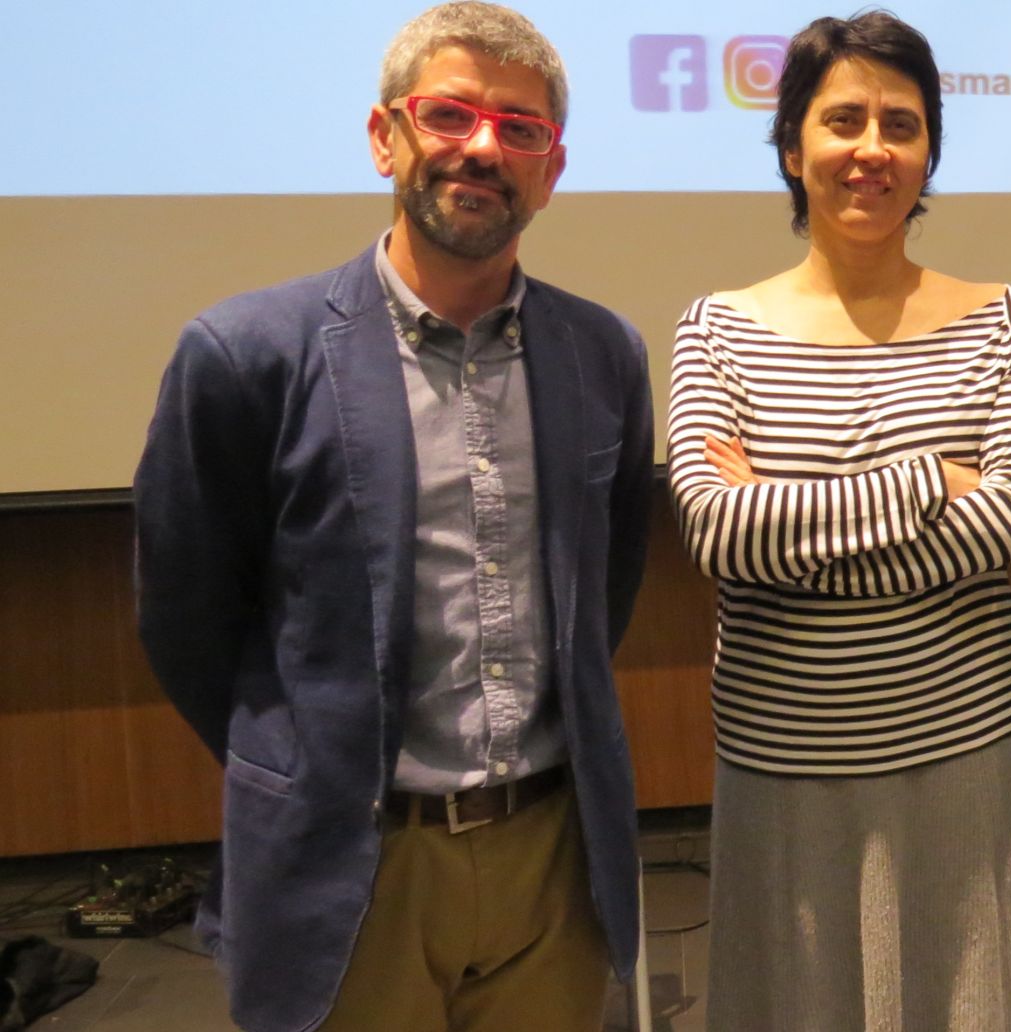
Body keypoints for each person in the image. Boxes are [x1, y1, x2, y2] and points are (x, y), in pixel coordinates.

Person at [132, 4, 653, 1030]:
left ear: (551, 169)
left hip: (551, 859)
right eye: (449, 115)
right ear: (385, 137)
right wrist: (300, 761)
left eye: (519, 129)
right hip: (352, 863)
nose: (483, 149)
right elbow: (185, 620)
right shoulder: (245, 354)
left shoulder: (603, 354)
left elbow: (607, 592)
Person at [665, 12, 1011, 1031]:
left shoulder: (1002, 318)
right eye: (842, 120)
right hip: (783, 771)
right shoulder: (717, 329)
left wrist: (786, 531)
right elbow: (718, 534)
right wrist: (932, 480)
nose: (872, 149)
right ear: (791, 148)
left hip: (964, 759)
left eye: (902, 124)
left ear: (930, 153)